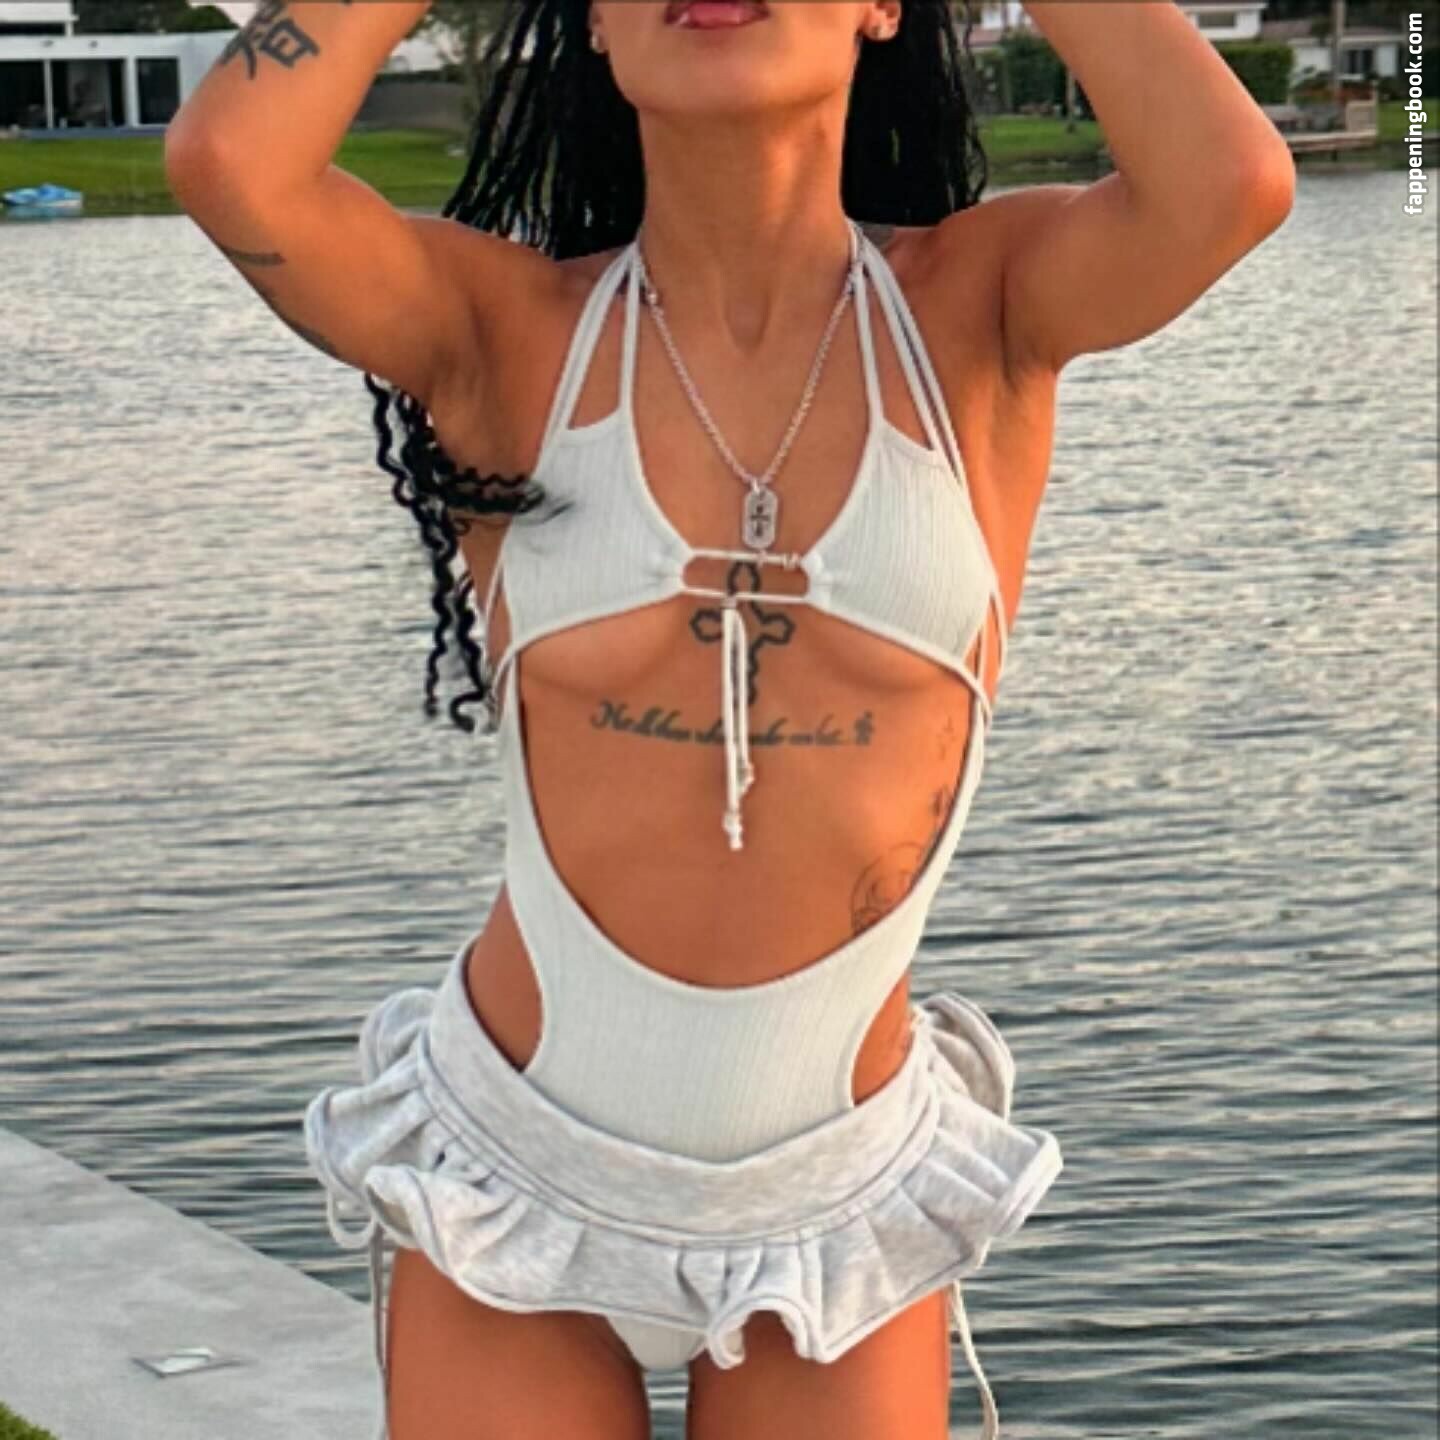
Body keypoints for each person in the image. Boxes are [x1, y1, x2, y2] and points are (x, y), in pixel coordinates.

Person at [164, 2, 1295, 1436]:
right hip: (512, 1157)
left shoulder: (982, 311)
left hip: (833, 1188)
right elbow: (234, 164)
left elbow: (1228, 184)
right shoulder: (504, 332)